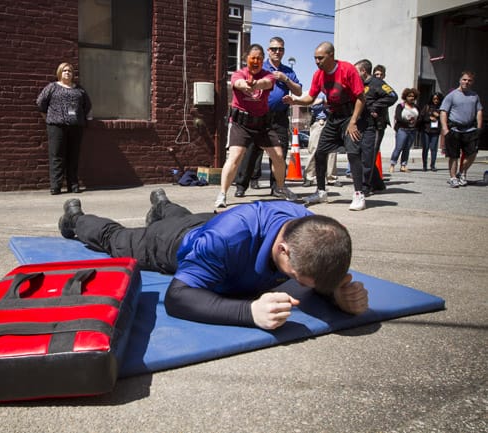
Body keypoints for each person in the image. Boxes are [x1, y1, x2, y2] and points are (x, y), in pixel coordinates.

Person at [57, 189, 369, 329]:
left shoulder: (310, 227)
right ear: (283, 249)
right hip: (171, 243)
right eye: (297, 278)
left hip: (210, 224)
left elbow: (321, 272)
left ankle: (162, 204)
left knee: (189, 218)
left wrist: (335, 293)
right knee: (115, 238)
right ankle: (76, 220)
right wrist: (249, 312)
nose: (298, 285)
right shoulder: (222, 242)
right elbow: (178, 297)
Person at [282, 42, 368, 211]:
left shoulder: (347, 69)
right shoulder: (318, 75)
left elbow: (361, 97)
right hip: (334, 117)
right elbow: (311, 98)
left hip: (351, 116)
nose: (317, 61)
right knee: (320, 153)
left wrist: (353, 122)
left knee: (353, 153)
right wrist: (296, 101)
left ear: (331, 55)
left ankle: (359, 195)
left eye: (320, 58)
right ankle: (321, 192)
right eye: (315, 58)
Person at [215, 44, 297, 208]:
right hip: (241, 123)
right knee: (235, 157)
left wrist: (255, 84)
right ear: (246, 59)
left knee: (279, 156)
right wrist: (245, 85)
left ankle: (280, 188)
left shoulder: (268, 75)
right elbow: (237, 83)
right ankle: (222, 194)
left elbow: (267, 83)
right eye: (253, 58)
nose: (256, 61)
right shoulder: (238, 74)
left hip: (263, 123)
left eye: (259, 58)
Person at [233, 37, 302, 198]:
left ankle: (277, 186)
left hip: (280, 118)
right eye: (274, 49)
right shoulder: (260, 67)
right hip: (259, 116)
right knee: (251, 151)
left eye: (280, 49)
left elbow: (298, 91)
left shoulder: (288, 71)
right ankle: (241, 185)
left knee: (280, 152)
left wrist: (285, 79)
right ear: (268, 51)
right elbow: (245, 81)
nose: (277, 52)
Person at [36, 62, 92, 195]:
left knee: (73, 156)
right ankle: (56, 186)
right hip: (56, 126)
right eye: (64, 70)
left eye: (70, 71)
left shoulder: (79, 90)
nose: (67, 73)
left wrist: (81, 118)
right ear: (59, 72)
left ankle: (73, 185)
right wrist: (48, 117)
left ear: (73, 74)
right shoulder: (52, 87)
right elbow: (40, 103)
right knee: (57, 156)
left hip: (75, 127)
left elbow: (87, 106)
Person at [354, 59, 398, 195]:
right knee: (363, 155)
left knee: (368, 155)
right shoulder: (359, 84)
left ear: (363, 71)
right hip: (362, 124)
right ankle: (378, 184)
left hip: (376, 125)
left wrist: (375, 106)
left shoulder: (377, 83)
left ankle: (365, 187)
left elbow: (392, 96)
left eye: (356, 71)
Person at [440, 71, 483, 188]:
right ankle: (453, 178)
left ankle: (462, 173)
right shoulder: (452, 95)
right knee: (454, 156)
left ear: (472, 82)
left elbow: (479, 111)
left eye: (469, 80)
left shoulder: (474, 96)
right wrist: (445, 129)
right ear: (460, 80)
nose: (466, 82)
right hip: (454, 129)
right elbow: (443, 112)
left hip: (470, 130)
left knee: (472, 153)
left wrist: (479, 128)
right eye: (464, 80)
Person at [302, 92, 340, 187]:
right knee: (314, 149)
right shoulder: (318, 91)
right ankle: (309, 177)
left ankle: (332, 177)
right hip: (319, 122)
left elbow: (337, 105)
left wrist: (324, 102)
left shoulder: (336, 89)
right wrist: (323, 101)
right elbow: (312, 106)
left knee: (332, 151)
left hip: (332, 122)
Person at [389, 88, 420, 173]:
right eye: (409, 96)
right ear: (405, 97)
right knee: (398, 148)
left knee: (407, 149)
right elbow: (398, 117)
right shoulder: (401, 106)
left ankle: (403, 165)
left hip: (412, 130)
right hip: (402, 129)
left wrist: (416, 122)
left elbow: (419, 117)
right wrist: (408, 121)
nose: (411, 98)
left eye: (413, 96)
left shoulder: (416, 107)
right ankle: (392, 164)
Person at [419, 92, 443, 172]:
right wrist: (429, 118)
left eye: (437, 99)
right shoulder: (427, 107)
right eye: (434, 99)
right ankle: (424, 165)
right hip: (426, 130)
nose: (436, 101)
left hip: (435, 131)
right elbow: (421, 117)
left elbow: (445, 120)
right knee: (425, 148)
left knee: (433, 149)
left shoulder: (441, 108)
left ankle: (432, 165)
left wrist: (438, 116)